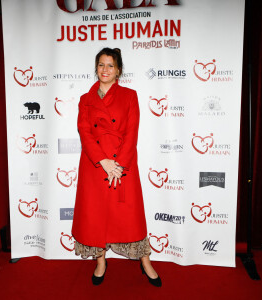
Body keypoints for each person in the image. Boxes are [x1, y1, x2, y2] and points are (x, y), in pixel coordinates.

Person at [71, 47, 161, 287]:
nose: (105, 70)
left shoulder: (130, 95)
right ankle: (101, 262)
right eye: (101, 65)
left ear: (118, 70)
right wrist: (103, 161)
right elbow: (85, 131)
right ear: (96, 68)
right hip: (95, 166)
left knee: (131, 216)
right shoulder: (85, 99)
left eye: (110, 65)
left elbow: (132, 134)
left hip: (123, 166)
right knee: (95, 218)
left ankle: (146, 261)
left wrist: (117, 165)